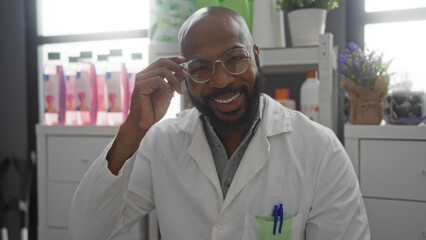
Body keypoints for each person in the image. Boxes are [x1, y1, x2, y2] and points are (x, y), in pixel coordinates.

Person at [69, 6, 370, 240]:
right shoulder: (160, 144)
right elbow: (88, 231)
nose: (223, 80)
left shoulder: (319, 149)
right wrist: (133, 129)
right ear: (184, 76)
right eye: (201, 67)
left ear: (255, 56)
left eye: (235, 58)